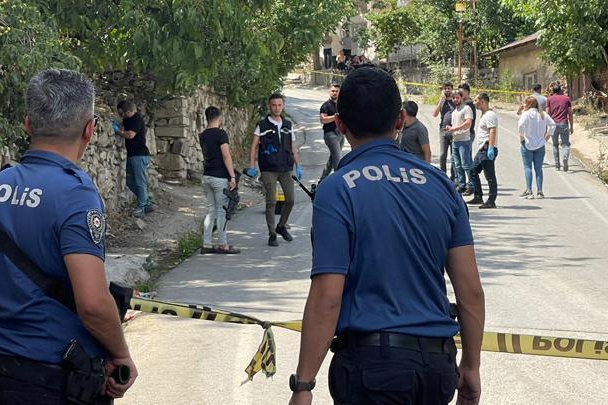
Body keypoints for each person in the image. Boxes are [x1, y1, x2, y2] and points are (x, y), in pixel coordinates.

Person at [289, 66, 484, 405]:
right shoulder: (443, 186)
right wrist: (471, 365)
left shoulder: (337, 190)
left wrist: (304, 385)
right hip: (438, 370)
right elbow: (471, 291)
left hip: (373, 371)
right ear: (399, 121)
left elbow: (327, 296)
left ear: (340, 124)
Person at [0, 68, 137, 403]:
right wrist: (121, 354)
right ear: (90, 129)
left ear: (27, 124)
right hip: (57, 381)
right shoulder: (76, 195)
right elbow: (93, 304)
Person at [248, 93, 302, 247]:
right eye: (274, 105)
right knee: (271, 202)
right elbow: (253, 147)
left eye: (279, 105)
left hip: (286, 168)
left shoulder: (288, 125)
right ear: (269, 106)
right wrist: (252, 166)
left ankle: (281, 226)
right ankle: (272, 234)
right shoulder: (262, 125)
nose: (277, 108)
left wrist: (298, 165)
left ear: (283, 106)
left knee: (290, 200)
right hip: (268, 169)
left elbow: (293, 146)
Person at [199, 106, 240, 254]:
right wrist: (232, 176)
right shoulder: (221, 134)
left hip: (206, 176)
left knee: (211, 210)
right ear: (220, 118)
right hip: (219, 177)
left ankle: (207, 243)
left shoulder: (202, 135)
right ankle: (223, 244)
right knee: (221, 211)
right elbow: (226, 156)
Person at [115, 100, 154, 218]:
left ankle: (141, 207)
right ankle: (146, 202)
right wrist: (119, 126)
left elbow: (130, 135)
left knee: (139, 182)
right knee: (129, 182)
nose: (122, 115)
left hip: (140, 155)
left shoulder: (137, 119)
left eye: (123, 113)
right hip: (132, 155)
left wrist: (118, 132)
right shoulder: (128, 119)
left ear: (128, 111)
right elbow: (123, 125)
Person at [518, 96, 556, 199]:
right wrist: (547, 137)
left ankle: (529, 190)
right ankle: (540, 191)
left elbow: (521, 125)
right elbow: (552, 124)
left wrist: (522, 136)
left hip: (527, 143)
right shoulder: (542, 114)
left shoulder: (526, 114)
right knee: (538, 168)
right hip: (540, 144)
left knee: (528, 167)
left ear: (528, 104)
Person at [467, 93, 499, 209]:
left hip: (487, 149)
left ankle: (491, 200)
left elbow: (492, 131)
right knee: (472, 171)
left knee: (490, 176)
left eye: (476, 100)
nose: (474, 103)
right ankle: (478, 196)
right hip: (482, 150)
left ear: (483, 101)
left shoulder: (490, 115)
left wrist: (490, 148)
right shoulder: (484, 114)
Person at [447, 90, 474, 194]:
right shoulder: (454, 112)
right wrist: (451, 129)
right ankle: (462, 184)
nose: (455, 100)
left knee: (466, 164)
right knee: (457, 165)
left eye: (457, 97)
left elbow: (468, 123)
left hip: (464, 141)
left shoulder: (466, 108)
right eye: (453, 98)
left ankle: (471, 185)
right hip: (455, 140)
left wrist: (454, 129)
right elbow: (455, 127)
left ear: (462, 97)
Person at [319, 84, 344, 181]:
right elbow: (323, 119)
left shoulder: (341, 105)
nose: (334, 93)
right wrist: (335, 117)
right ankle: (338, 182)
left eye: (336, 91)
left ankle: (321, 181)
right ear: (329, 92)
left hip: (341, 134)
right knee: (337, 158)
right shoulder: (326, 105)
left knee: (332, 159)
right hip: (330, 134)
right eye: (333, 91)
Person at [547, 85, 574, 171]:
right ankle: (565, 158)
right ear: (560, 90)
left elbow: (548, 113)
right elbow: (570, 113)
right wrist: (571, 126)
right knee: (565, 144)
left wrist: (548, 126)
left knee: (555, 145)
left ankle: (557, 165)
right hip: (564, 123)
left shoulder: (549, 99)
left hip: (553, 124)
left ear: (553, 91)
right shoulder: (566, 99)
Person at [433, 82, 456, 174]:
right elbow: (434, 114)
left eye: (449, 88)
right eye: (445, 88)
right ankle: (443, 175)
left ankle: (454, 177)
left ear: (452, 89)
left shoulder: (455, 100)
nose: (447, 90)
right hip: (443, 130)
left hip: (454, 130)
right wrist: (441, 101)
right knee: (443, 155)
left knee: (454, 156)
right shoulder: (442, 101)